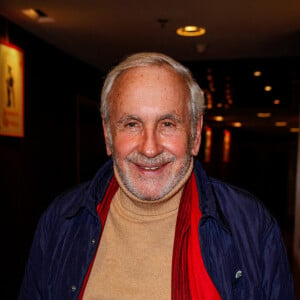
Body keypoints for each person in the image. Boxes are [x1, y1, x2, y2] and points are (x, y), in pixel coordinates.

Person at [19, 52, 295, 299]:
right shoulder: (60, 221)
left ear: (196, 133)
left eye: (167, 124)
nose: (149, 148)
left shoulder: (251, 224)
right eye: (131, 124)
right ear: (107, 133)